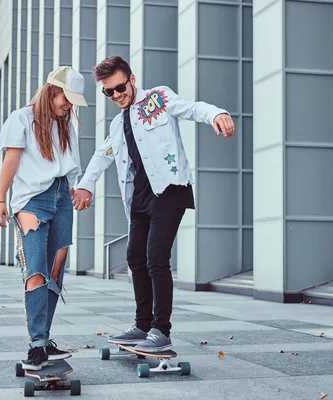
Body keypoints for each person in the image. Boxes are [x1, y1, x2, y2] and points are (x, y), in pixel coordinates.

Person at [72, 56, 235, 352]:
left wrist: (216, 114)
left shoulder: (158, 98)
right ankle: (142, 325)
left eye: (119, 87)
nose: (116, 95)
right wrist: (86, 183)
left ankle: (161, 330)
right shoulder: (118, 121)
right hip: (139, 198)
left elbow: (190, 107)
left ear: (131, 79)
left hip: (169, 190)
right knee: (135, 258)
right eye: (108, 92)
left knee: (156, 259)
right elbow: (103, 153)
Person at [0, 65, 87, 370]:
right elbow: (11, 160)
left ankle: (44, 340)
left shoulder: (67, 123)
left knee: (56, 272)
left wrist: (78, 188)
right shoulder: (21, 118)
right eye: (65, 98)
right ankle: (36, 346)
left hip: (61, 197)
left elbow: (71, 165)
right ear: (51, 91)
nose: (68, 105)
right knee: (36, 271)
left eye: (72, 100)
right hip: (32, 201)